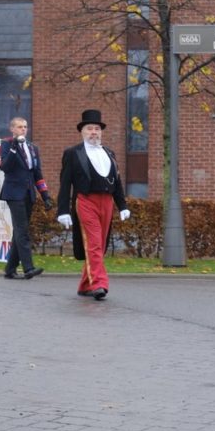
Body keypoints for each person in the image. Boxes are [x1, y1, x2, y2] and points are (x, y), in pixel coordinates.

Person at [56, 109, 130, 301]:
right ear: (82, 131)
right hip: (86, 201)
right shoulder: (73, 153)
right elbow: (65, 183)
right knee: (94, 243)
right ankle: (99, 284)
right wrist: (63, 210)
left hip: (107, 202)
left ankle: (85, 285)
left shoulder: (109, 153)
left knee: (100, 245)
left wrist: (122, 205)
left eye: (97, 129)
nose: (94, 132)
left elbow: (117, 182)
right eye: (89, 128)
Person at [0, 117, 54, 280]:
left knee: (19, 231)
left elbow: (37, 173)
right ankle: (28, 268)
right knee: (22, 230)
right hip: (13, 193)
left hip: (29, 193)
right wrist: (14, 148)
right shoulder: (6, 144)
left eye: (25, 126)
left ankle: (10, 269)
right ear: (12, 129)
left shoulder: (32, 148)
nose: (23, 129)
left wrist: (45, 196)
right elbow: (5, 167)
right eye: (19, 127)